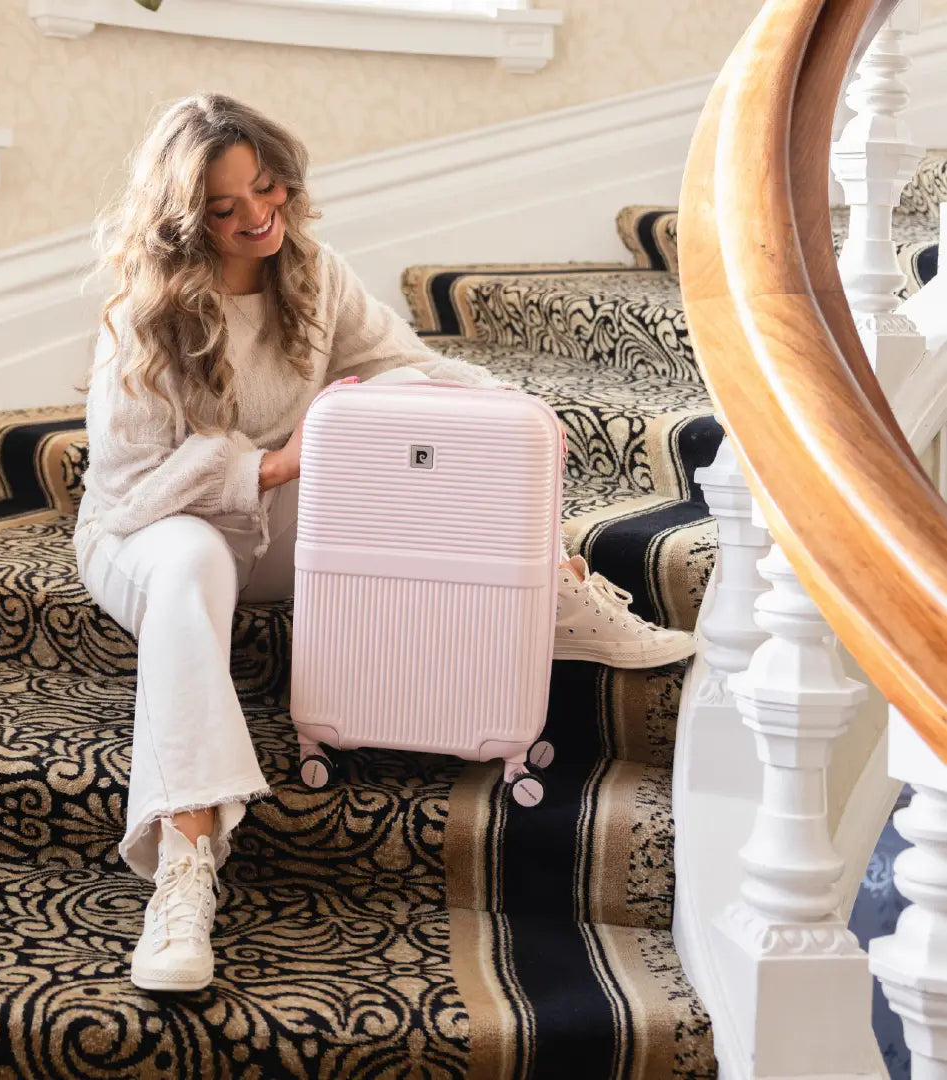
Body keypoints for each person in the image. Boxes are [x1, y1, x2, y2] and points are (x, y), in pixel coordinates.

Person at [73, 93, 694, 993]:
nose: (257, 216)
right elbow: (132, 488)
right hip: (150, 533)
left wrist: (510, 414)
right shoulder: (144, 314)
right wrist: (273, 464)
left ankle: (548, 592)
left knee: (414, 426)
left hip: (269, 517)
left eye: (266, 187)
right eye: (223, 207)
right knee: (192, 558)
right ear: (183, 220)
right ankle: (184, 864)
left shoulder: (310, 273)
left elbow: (404, 366)